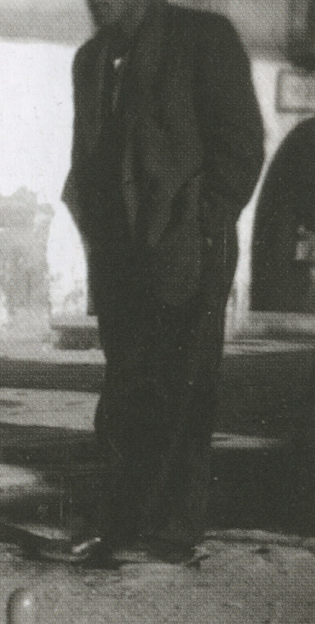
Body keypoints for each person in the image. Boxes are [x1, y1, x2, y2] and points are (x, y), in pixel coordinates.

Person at [47, 0, 264, 565]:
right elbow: (86, 154)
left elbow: (241, 143)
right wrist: (94, 230)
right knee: (126, 391)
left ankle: (173, 530)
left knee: (184, 386)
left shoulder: (204, 38)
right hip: (119, 259)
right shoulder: (90, 61)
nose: (98, 5)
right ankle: (122, 522)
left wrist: (206, 222)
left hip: (189, 246)